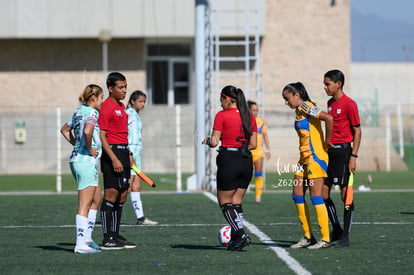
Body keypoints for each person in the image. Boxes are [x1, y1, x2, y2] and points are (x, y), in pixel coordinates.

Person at [202, 85, 257, 251]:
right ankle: (236, 239)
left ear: (227, 99)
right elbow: (253, 144)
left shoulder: (221, 115)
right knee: (236, 201)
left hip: (229, 160)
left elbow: (214, 142)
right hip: (246, 161)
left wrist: (206, 140)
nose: (220, 103)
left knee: (225, 201)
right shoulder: (249, 115)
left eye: (221, 99)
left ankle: (240, 234)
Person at [282, 82, 333, 249]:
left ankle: (325, 238)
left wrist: (327, 140)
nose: (286, 102)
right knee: (297, 194)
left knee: (316, 197)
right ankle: (308, 236)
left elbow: (328, 118)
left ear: (297, 95)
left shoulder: (305, 106)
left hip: (315, 159)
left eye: (287, 98)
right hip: (303, 160)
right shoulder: (298, 110)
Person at [60, 84, 104, 254]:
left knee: (96, 198)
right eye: (101, 97)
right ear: (93, 98)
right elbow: (87, 131)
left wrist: (78, 145)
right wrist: (88, 147)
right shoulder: (92, 112)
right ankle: (80, 244)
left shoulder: (79, 111)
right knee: (85, 203)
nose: (102, 101)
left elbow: (64, 130)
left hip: (80, 160)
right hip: (85, 160)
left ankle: (87, 238)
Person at [322, 69, 361, 247]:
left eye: (328, 84)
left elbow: (357, 130)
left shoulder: (349, 104)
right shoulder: (330, 103)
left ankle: (345, 237)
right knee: (322, 194)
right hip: (329, 154)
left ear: (339, 84)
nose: (325, 87)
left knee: (346, 195)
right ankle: (336, 228)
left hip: (344, 153)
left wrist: (353, 155)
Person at [98, 72, 136, 250]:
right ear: (110, 89)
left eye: (125, 87)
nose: (124, 90)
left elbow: (122, 134)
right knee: (111, 195)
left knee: (122, 194)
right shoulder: (106, 107)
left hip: (123, 153)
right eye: (120, 87)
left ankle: (115, 233)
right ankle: (107, 238)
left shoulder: (121, 107)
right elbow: (102, 136)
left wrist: (128, 153)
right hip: (112, 153)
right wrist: (113, 158)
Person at [125, 90, 158, 225]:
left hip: (136, 153)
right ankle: (109, 213)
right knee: (126, 187)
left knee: (136, 186)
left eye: (144, 101)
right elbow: (122, 133)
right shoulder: (128, 114)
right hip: (130, 152)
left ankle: (141, 218)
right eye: (140, 101)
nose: (143, 104)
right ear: (132, 101)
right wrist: (128, 153)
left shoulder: (136, 115)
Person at [247, 100, 271, 204]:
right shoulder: (245, 121)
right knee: (245, 174)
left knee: (258, 174)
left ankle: (258, 197)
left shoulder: (261, 121)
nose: (255, 112)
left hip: (258, 152)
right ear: (249, 110)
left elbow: (265, 135)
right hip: (247, 152)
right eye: (253, 110)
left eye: (257, 110)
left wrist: (268, 150)